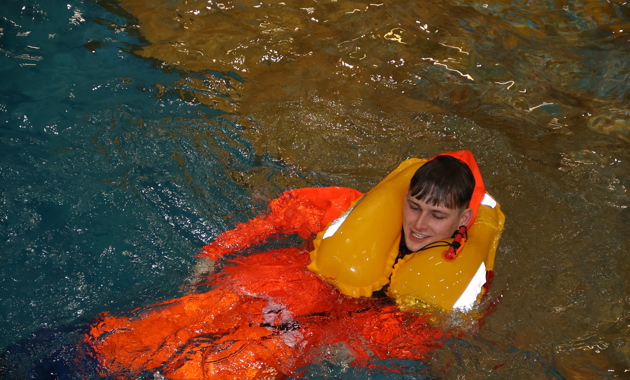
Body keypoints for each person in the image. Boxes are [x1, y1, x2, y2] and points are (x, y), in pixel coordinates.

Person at [85, 151, 497, 379]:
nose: (420, 224)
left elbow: (430, 335)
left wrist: (356, 351)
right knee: (155, 331)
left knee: (237, 369)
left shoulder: (467, 281)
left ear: (462, 219)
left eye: (437, 215)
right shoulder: (356, 212)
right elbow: (286, 212)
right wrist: (215, 252)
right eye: (414, 206)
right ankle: (83, 361)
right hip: (287, 286)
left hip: (338, 329)